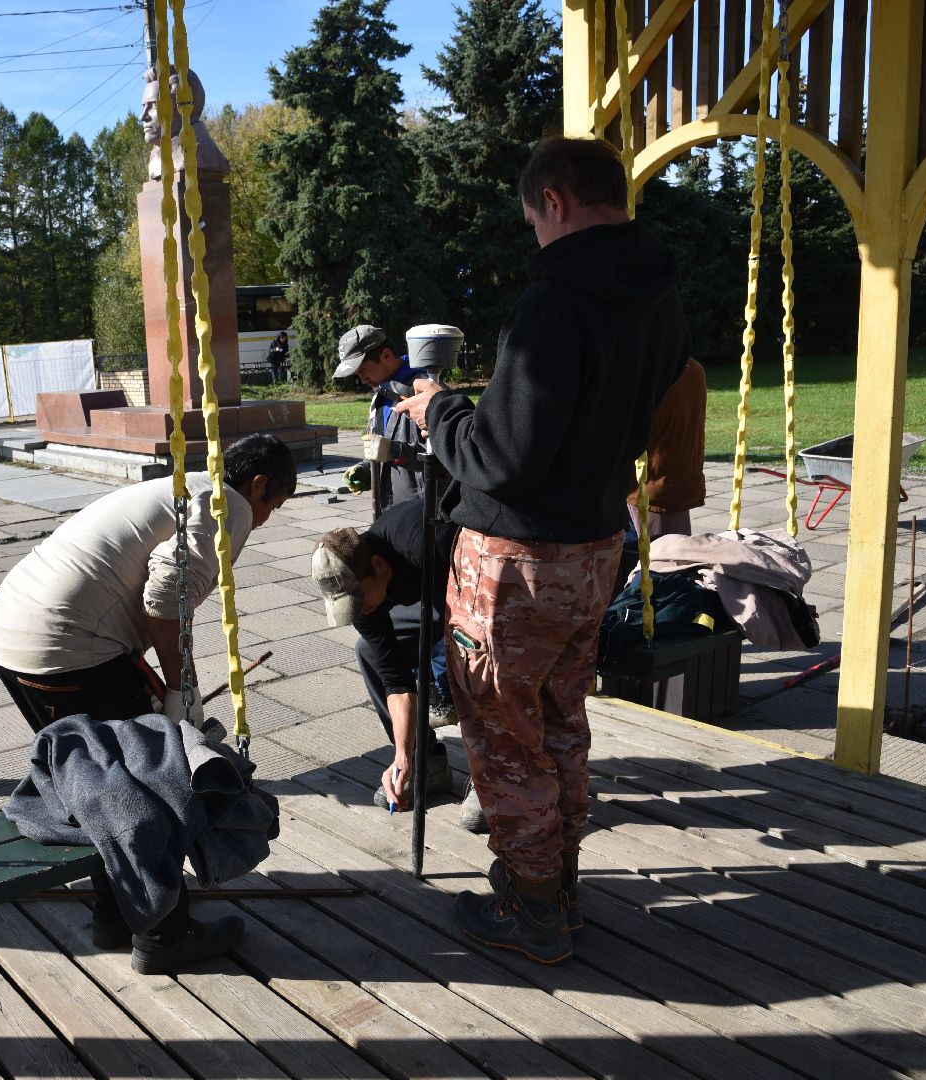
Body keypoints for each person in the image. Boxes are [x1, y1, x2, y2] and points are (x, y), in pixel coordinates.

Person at [395, 135, 689, 964]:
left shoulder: (555, 301)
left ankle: (531, 908)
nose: (534, 235)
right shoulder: (659, 288)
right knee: (562, 719)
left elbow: (502, 458)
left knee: (502, 730)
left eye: (531, 219)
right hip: (598, 543)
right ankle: (556, 880)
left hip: (517, 560)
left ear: (552, 202)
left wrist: (439, 411)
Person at [0, 433, 296, 971]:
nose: (263, 520)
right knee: (148, 783)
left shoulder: (182, 486)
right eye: (273, 506)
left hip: (13, 633)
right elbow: (165, 600)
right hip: (68, 647)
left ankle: (115, 914)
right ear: (259, 484)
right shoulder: (230, 506)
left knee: (98, 780)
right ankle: (163, 935)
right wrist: (181, 691)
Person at [310, 497, 461, 813]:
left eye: (360, 600)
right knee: (369, 651)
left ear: (378, 566)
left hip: (464, 581)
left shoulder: (425, 545)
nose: (360, 610)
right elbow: (397, 682)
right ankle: (426, 762)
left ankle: (494, 776)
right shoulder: (361, 589)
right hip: (424, 596)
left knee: (468, 657)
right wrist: (403, 757)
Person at [335, 325, 429, 514]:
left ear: (386, 355)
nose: (362, 380)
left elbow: (448, 456)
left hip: (422, 513)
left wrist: (394, 450)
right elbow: (379, 447)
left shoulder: (426, 390)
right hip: (389, 509)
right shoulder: (380, 394)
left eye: (363, 371)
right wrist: (366, 469)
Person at [630, 357, 706, 538]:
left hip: (652, 486)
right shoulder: (692, 367)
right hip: (673, 482)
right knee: (672, 554)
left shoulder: (647, 369)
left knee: (662, 558)